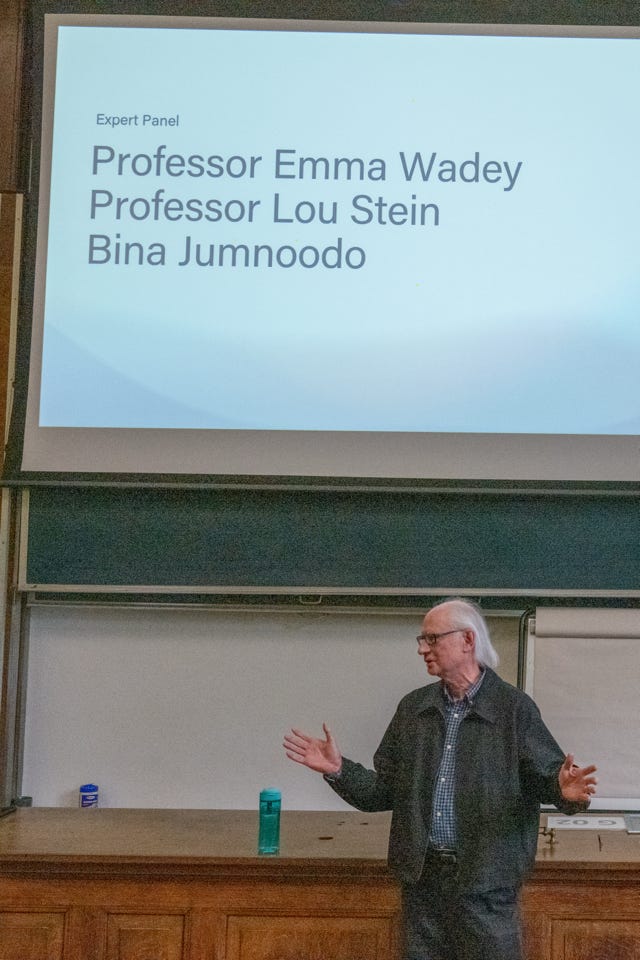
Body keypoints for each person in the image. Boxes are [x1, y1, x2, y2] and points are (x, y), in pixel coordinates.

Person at [283, 597, 597, 960]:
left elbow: (548, 778)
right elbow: (382, 792)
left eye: (432, 639)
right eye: (422, 639)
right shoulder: (413, 709)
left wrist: (563, 791)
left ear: (467, 640)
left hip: (487, 887)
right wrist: (338, 769)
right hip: (423, 885)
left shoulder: (513, 709)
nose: (422, 649)